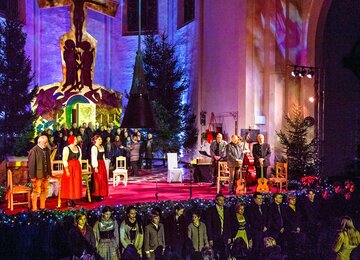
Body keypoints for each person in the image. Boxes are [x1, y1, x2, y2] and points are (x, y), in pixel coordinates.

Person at [28, 135, 52, 211]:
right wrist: (32, 176)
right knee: (35, 191)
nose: (46, 144)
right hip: (37, 176)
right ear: (39, 142)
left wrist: (49, 173)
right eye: (45, 142)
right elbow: (31, 165)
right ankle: (34, 208)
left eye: (47, 142)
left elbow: (48, 162)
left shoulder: (47, 150)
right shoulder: (34, 151)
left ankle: (42, 207)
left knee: (44, 190)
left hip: (45, 175)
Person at [205, 193, 232, 259]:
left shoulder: (226, 209)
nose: (222, 202)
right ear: (216, 201)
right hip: (215, 237)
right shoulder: (210, 210)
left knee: (224, 255)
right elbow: (209, 225)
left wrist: (229, 236)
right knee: (215, 255)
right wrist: (210, 238)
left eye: (223, 200)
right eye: (220, 200)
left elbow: (228, 224)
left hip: (224, 236)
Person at [245, 192, 268, 258]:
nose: (261, 200)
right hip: (256, 232)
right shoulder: (249, 208)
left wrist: (266, 226)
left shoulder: (264, 207)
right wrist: (261, 227)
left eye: (261, 198)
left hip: (265, 231)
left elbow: (268, 218)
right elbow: (252, 220)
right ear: (254, 199)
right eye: (259, 198)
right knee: (256, 250)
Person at [61, 135, 82, 207]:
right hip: (70, 167)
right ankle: (68, 200)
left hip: (77, 167)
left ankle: (74, 199)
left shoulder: (78, 148)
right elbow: (64, 160)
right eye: (75, 139)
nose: (76, 140)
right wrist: (66, 170)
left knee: (76, 183)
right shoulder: (66, 148)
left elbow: (79, 159)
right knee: (69, 183)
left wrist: (80, 168)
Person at [284, 193, 305, 258]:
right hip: (291, 229)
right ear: (288, 200)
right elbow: (288, 220)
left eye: (294, 199)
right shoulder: (286, 209)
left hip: (298, 228)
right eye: (292, 199)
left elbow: (300, 218)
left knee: (299, 243)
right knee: (291, 244)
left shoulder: (297, 208)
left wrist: (299, 226)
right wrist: (295, 227)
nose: (294, 200)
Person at [91, 135, 108, 201]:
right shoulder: (94, 147)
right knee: (97, 180)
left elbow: (103, 157)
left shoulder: (102, 147)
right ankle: (97, 195)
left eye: (101, 139)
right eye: (99, 139)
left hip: (102, 164)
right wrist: (95, 167)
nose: (100, 140)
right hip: (97, 164)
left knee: (102, 179)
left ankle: (102, 193)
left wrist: (104, 164)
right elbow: (94, 157)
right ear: (95, 140)